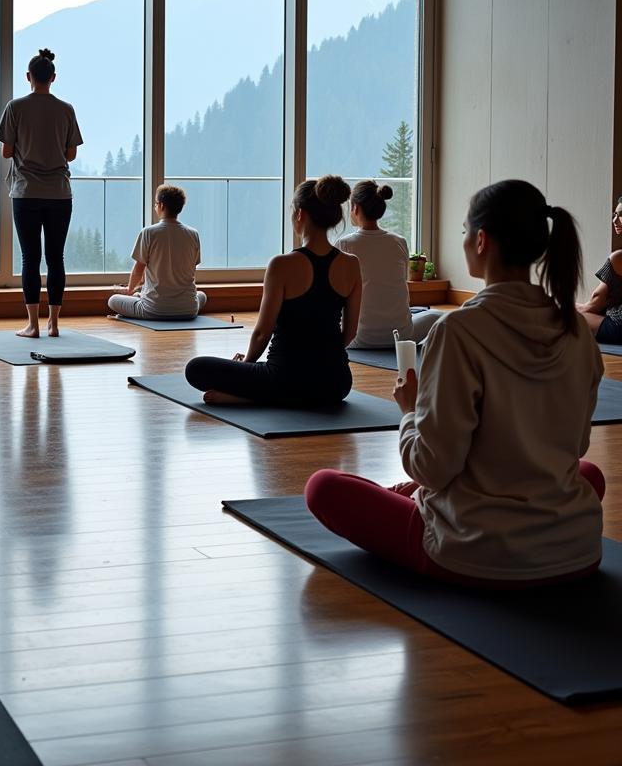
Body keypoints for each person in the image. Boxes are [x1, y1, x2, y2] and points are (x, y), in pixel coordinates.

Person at [306, 180, 606, 588]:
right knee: (588, 474)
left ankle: (403, 497)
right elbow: (575, 448)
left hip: (472, 550)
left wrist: (410, 411)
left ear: (481, 240)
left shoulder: (459, 332)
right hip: (575, 548)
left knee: (323, 487)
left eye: (465, 231)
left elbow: (432, 467)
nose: (464, 240)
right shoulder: (577, 332)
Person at [185, 176, 361, 406]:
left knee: (196, 368)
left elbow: (262, 334)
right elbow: (349, 333)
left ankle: (249, 398)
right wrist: (320, 362)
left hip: (283, 378)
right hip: (336, 383)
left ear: (299, 214)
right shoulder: (352, 264)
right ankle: (281, 393)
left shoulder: (281, 265)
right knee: (294, 379)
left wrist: (245, 365)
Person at [0, 47, 83, 338]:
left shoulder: (15, 107)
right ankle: (54, 324)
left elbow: (7, 151)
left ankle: (32, 325)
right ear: (53, 77)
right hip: (59, 192)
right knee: (55, 258)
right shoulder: (66, 109)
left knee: (30, 258)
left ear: (28, 77)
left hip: (26, 192)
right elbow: (71, 154)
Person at [336, 180, 443, 348]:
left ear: (355, 208)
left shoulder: (344, 244)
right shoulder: (399, 242)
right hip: (401, 338)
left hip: (356, 339)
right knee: (438, 315)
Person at [108, 184, 206, 321]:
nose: (155, 207)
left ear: (161, 205)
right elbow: (191, 269)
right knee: (202, 295)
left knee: (113, 300)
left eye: (155, 203)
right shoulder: (193, 234)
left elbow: (139, 269)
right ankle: (145, 297)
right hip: (188, 310)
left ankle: (140, 297)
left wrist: (130, 290)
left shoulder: (149, 233)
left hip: (153, 310)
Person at [577, 194, 622, 343]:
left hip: (618, 327)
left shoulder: (618, 258)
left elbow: (596, 302)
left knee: (563, 313)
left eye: (621, 215)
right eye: (614, 215)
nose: (615, 220)